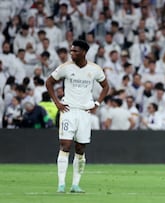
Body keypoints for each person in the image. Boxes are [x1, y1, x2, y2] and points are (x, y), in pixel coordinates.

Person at [45, 39, 109, 193]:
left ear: (84, 52)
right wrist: (57, 103)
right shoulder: (65, 67)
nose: (72, 53)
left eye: (75, 51)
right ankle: (61, 184)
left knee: (80, 148)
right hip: (68, 110)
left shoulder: (94, 69)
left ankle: (75, 185)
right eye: (71, 51)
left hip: (85, 112)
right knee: (65, 145)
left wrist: (97, 103)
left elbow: (106, 86)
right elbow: (49, 82)